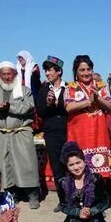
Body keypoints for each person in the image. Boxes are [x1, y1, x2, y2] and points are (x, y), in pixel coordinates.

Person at [0, 61, 40, 209]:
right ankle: (11, 193)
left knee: (27, 163)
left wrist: (10, 107)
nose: (6, 77)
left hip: (20, 132)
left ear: (15, 74)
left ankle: (33, 194)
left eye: (9, 73)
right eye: (3, 74)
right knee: (5, 165)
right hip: (1, 134)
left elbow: (28, 107)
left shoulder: (24, 90)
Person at [64, 55, 111, 194]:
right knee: (79, 163)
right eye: (82, 70)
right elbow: (68, 107)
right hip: (79, 132)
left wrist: (97, 98)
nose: (86, 73)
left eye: (88, 69)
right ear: (76, 71)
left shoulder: (100, 86)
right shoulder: (71, 87)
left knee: (100, 163)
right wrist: (88, 102)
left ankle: (100, 196)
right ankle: (82, 196)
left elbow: (109, 106)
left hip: (99, 131)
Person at [58, 141, 111, 222]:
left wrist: (91, 211)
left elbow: (106, 202)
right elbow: (63, 206)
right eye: (71, 165)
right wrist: (78, 212)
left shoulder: (96, 179)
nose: (76, 167)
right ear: (67, 166)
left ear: (84, 161)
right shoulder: (63, 182)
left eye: (78, 162)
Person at [36, 56, 68, 212]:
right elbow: (40, 112)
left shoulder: (69, 88)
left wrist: (57, 104)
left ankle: (76, 198)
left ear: (59, 71)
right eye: (45, 70)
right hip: (51, 133)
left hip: (68, 130)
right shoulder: (43, 89)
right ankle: (63, 200)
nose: (47, 73)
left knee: (72, 164)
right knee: (57, 167)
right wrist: (49, 105)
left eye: (50, 70)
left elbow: (71, 109)